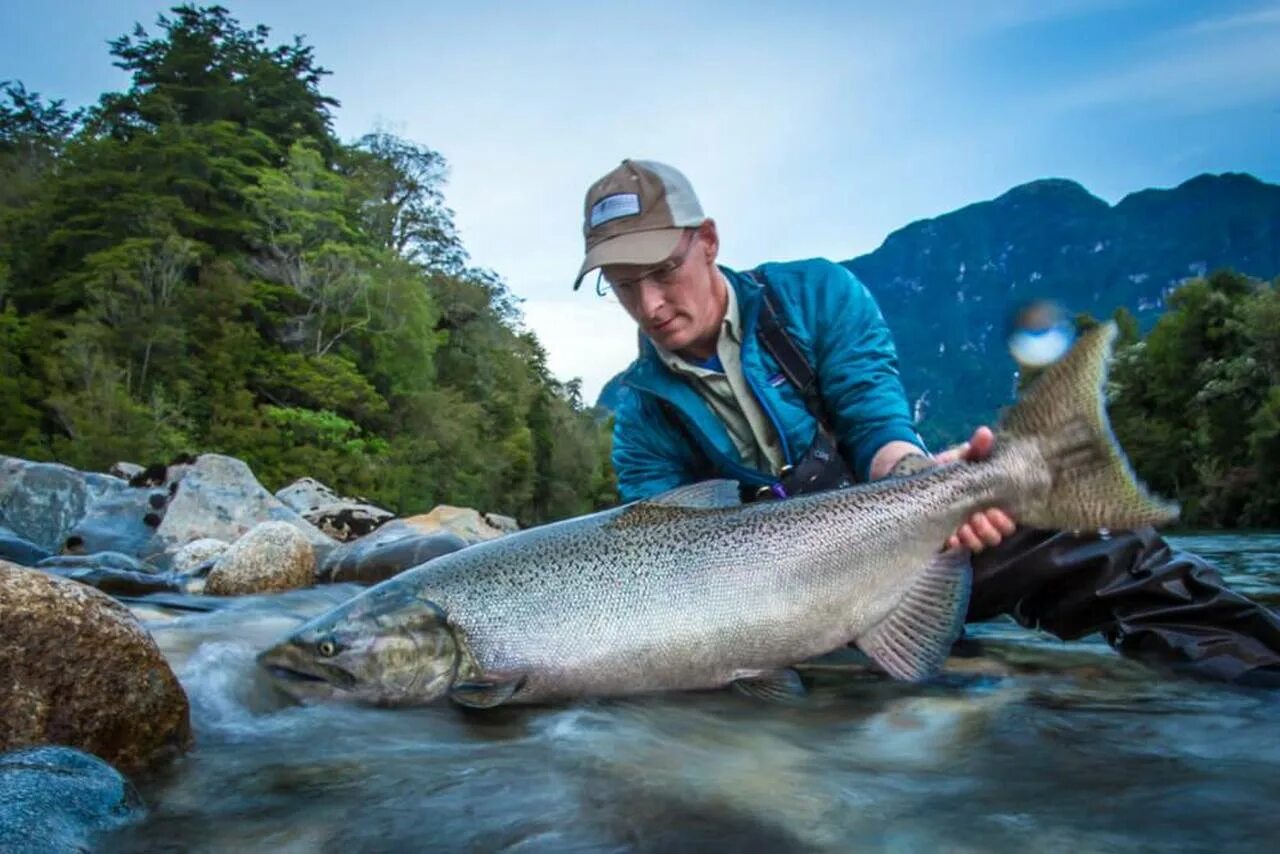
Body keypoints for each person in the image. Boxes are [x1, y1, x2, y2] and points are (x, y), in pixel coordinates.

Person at [572, 158, 1280, 687]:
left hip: (909, 537)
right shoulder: (639, 414)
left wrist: (926, 485)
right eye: (623, 287)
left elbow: (876, 420)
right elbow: (661, 564)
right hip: (779, 609)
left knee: (1102, 550)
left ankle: (1257, 680)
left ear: (709, 241)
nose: (651, 304)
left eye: (663, 271)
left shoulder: (815, 296)